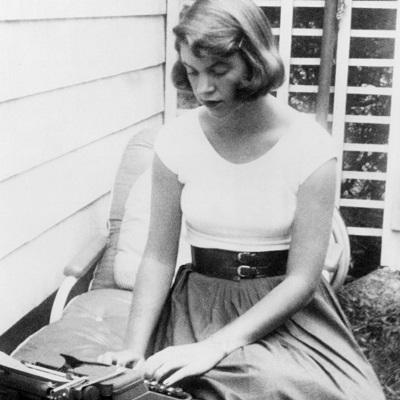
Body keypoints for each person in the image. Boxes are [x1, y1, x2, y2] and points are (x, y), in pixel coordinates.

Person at [99, 0, 385, 399]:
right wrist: (133, 348)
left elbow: (303, 279)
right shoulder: (175, 140)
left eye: (219, 71)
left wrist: (217, 347)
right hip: (198, 306)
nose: (203, 88)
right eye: (193, 71)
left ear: (254, 63)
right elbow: (159, 257)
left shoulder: (311, 147)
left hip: (286, 313)